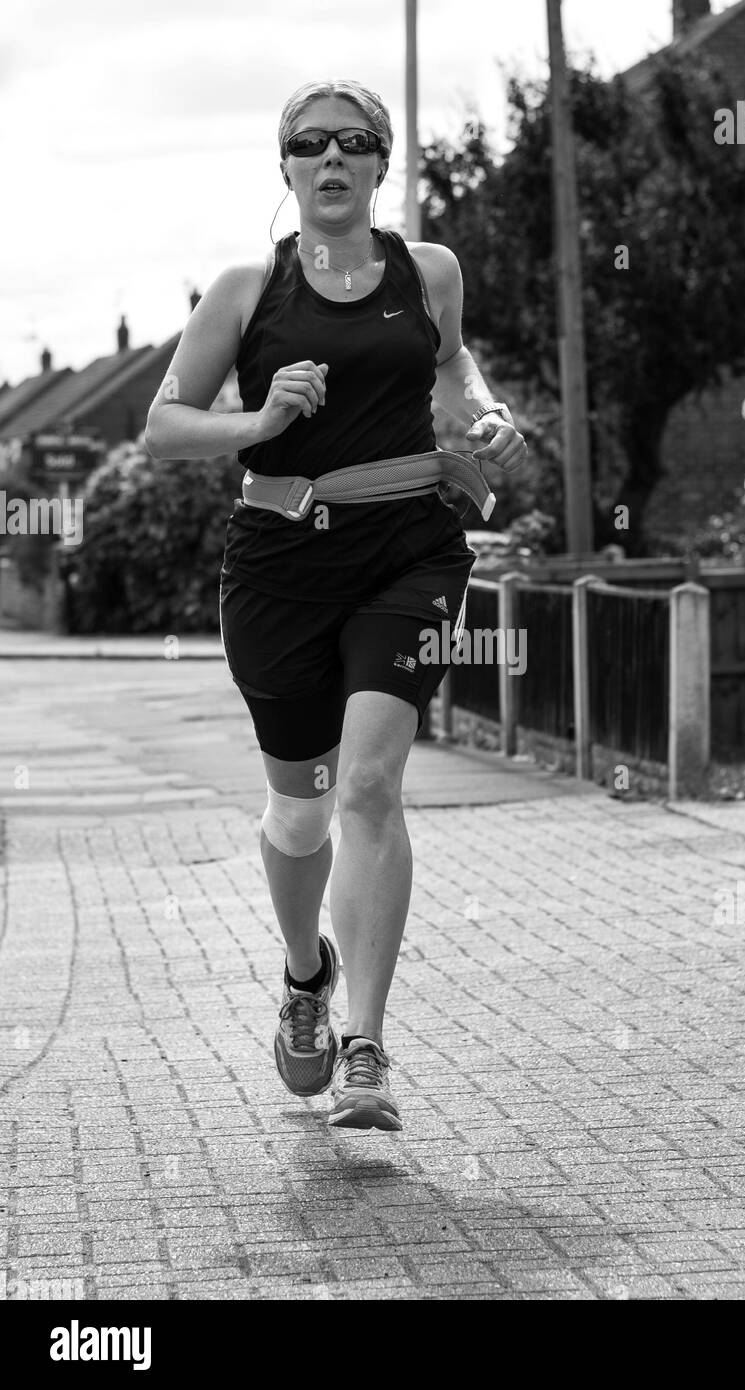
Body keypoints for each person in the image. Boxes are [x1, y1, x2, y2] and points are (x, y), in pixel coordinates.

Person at [145, 79, 527, 1132]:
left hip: (407, 549)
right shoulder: (243, 289)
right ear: (284, 165)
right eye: (308, 143)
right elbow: (164, 425)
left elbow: (451, 367)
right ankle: (303, 974)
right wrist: (259, 419)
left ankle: (365, 1045)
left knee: (368, 787)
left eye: (352, 142)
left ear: (379, 162)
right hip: (275, 566)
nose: (330, 157)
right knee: (302, 808)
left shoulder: (429, 273)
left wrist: (487, 419)